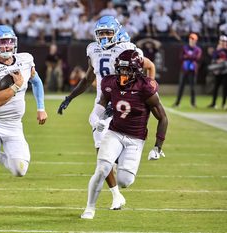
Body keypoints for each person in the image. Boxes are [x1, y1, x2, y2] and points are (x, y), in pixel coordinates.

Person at [57, 16, 156, 210]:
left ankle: (125, 159)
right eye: (100, 33)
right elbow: (87, 78)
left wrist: (148, 92)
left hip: (123, 103)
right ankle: (116, 195)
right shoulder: (92, 49)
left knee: (118, 147)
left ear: (117, 32)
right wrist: (70, 97)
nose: (103, 36)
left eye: (107, 32)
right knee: (100, 149)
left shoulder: (128, 48)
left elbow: (149, 67)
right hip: (102, 103)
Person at [0, 25, 48, 221]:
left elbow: (36, 82)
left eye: (10, 41)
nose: (7, 46)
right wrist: (16, 85)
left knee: (20, 170)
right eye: (2, 42)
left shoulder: (25, 60)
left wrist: (41, 107)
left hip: (15, 126)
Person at [81, 49, 168, 219]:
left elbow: (163, 118)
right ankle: (89, 208)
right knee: (102, 169)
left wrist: (158, 147)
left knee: (124, 181)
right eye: (121, 69)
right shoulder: (110, 82)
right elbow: (100, 105)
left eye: (128, 70)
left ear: (136, 70)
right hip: (114, 132)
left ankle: (117, 162)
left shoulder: (145, 87)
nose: (123, 73)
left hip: (135, 139)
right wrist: (95, 119)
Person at [173, 33, 202, 108]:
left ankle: (193, 103)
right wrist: (191, 56)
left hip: (192, 70)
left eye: (193, 39)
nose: (192, 40)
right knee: (181, 87)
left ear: (196, 41)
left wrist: (188, 56)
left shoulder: (198, 49)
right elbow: (181, 57)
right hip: (184, 69)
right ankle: (177, 103)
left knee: (193, 88)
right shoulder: (184, 47)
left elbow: (197, 58)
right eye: (191, 38)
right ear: (189, 39)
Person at [207, 35, 227, 109]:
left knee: (225, 88)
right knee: (216, 88)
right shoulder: (217, 50)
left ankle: (223, 103)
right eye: (222, 41)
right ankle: (213, 103)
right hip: (218, 71)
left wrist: (223, 60)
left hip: (225, 71)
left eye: (224, 41)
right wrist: (218, 60)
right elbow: (213, 60)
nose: (223, 42)